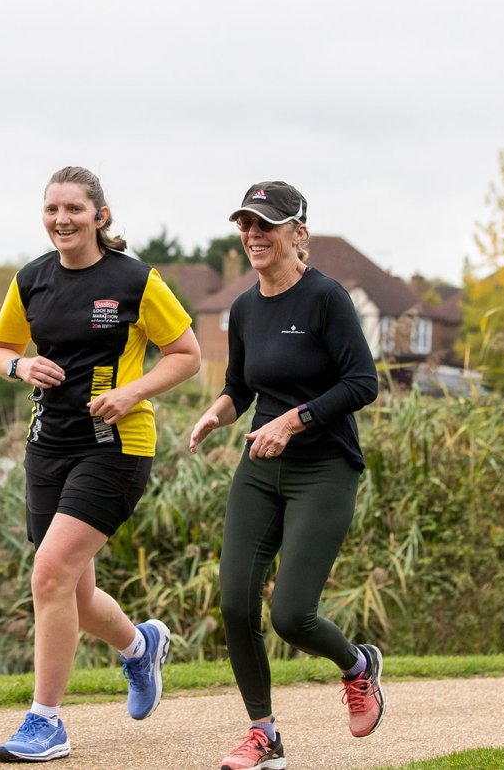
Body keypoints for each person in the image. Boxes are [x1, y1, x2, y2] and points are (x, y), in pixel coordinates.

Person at [0, 166, 202, 763]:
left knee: (50, 574)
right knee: (72, 593)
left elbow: (187, 355)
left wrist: (132, 392)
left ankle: (46, 721)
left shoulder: (135, 280)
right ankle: (139, 646)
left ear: (100, 216)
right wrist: (20, 367)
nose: (62, 219)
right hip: (46, 445)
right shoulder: (31, 280)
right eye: (53, 209)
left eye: (75, 209)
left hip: (115, 446)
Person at [189, 181, 384, 770]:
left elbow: (362, 384)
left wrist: (295, 421)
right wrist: (217, 414)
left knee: (291, 613)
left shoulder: (327, 299)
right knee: (235, 605)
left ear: (298, 233)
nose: (253, 236)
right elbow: (242, 387)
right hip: (259, 467)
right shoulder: (245, 307)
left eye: (265, 226)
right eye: (245, 225)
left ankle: (359, 667)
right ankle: (263, 734)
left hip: (323, 469)